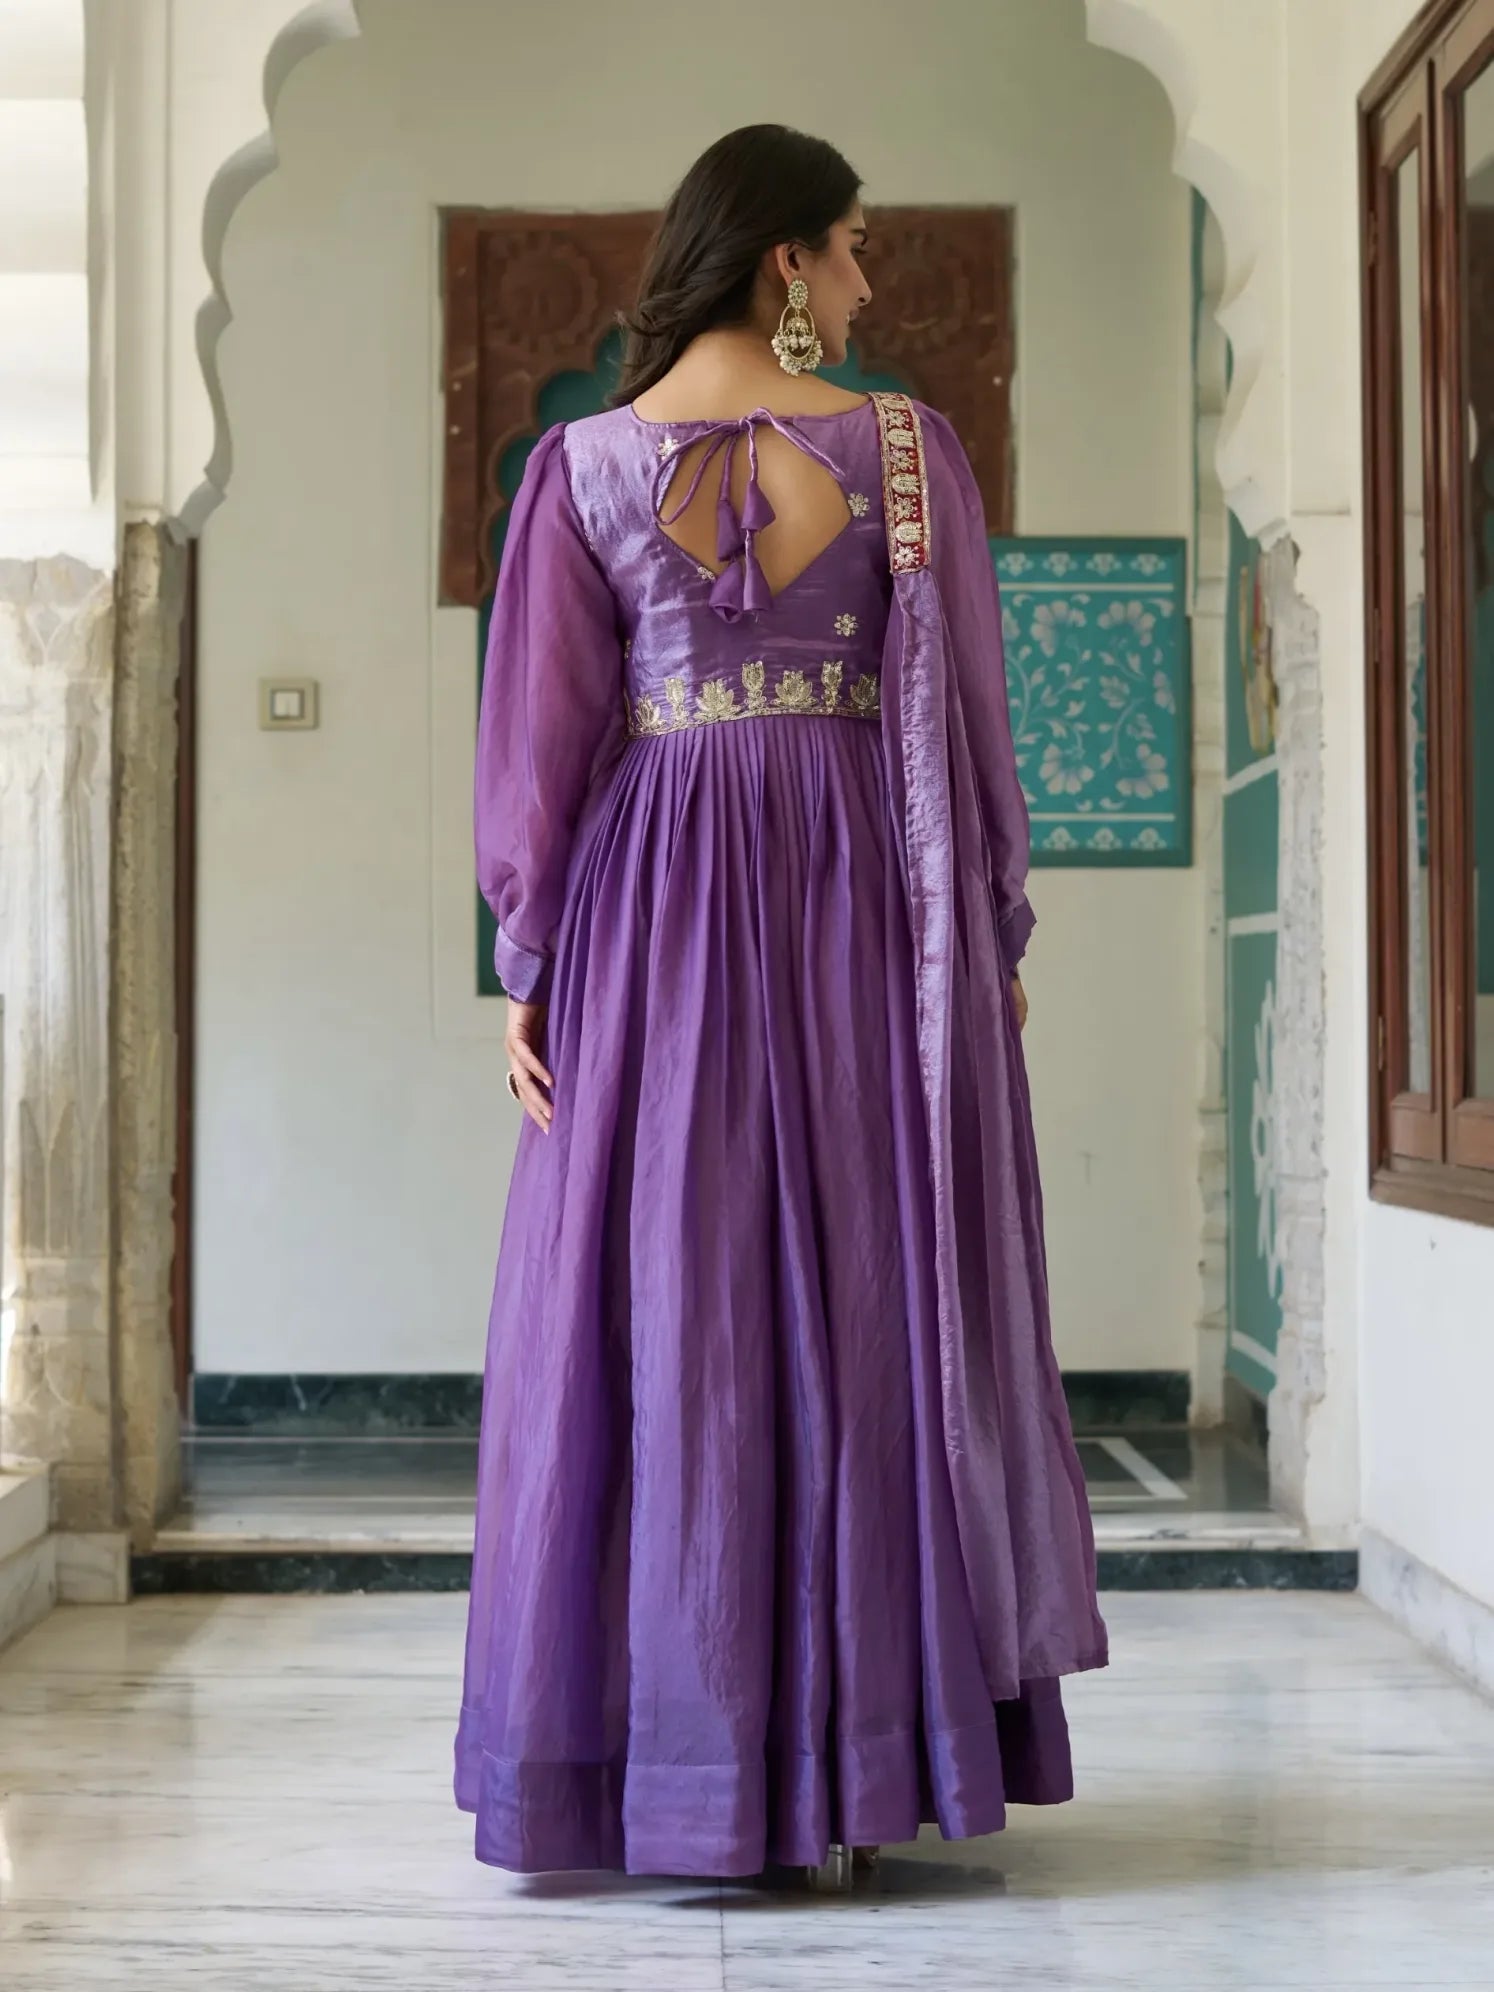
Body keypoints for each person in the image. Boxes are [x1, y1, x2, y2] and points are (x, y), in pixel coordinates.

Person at [454, 123, 1108, 1884]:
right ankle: (849, 1770)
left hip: (650, 899)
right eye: (855, 246)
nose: (871, 280)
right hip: (857, 895)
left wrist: (527, 964)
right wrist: (985, 930)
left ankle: (667, 1769)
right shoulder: (907, 453)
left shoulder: (582, 465)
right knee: (862, 1281)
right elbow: (967, 717)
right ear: (785, 266)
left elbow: (541, 743)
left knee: (663, 1291)